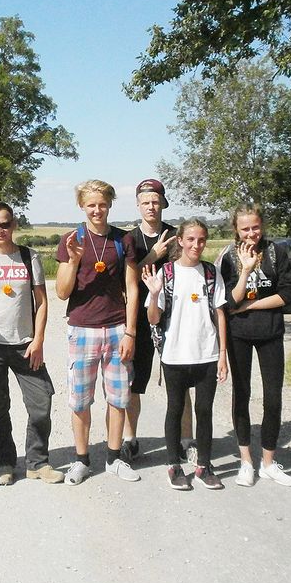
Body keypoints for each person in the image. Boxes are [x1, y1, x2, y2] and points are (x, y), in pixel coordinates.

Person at [0, 202, 64, 486]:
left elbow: (42, 303)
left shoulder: (29, 257)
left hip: (26, 345)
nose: (0, 230)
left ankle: (37, 463)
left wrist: (39, 339)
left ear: (14, 225)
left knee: (41, 404)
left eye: (5, 224)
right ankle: (5, 461)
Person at [55, 179, 141, 485]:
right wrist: (73, 260)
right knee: (80, 401)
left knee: (118, 398)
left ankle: (114, 458)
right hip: (82, 329)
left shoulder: (123, 239)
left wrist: (131, 332)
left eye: (102, 204)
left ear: (110, 205)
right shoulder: (70, 240)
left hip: (117, 328)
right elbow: (62, 292)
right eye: (91, 204)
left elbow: (132, 287)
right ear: (81, 205)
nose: (97, 210)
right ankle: (81, 460)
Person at [144, 219, 229, 490]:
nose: (196, 245)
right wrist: (154, 295)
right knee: (175, 409)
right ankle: (174, 465)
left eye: (201, 240)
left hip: (207, 354)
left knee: (204, 411)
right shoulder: (166, 273)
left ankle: (204, 466)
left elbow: (220, 313)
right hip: (174, 355)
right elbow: (153, 318)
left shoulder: (211, 273)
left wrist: (223, 354)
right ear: (180, 241)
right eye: (191, 239)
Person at [219, 203, 291, 487]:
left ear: (262, 225)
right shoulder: (228, 256)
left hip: (270, 332)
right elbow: (229, 301)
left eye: (255, 227)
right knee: (241, 394)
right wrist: (245, 270)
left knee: (273, 397)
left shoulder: (277, 252)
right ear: (236, 229)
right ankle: (246, 462)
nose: (251, 233)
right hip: (238, 334)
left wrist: (251, 306)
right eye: (245, 229)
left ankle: (268, 462)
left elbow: (287, 295)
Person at [121, 178, 178, 463]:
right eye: (145, 202)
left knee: (179, 383)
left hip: (172, 316)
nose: (151, 207)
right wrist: (152, 257)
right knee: (133, 383)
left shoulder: (176, 235)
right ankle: (130, 439)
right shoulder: (129, 239)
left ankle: (185, 439)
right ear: (138, 205)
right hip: (139, 318)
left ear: (163, 203)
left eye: (155, 201)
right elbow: (123, 282)